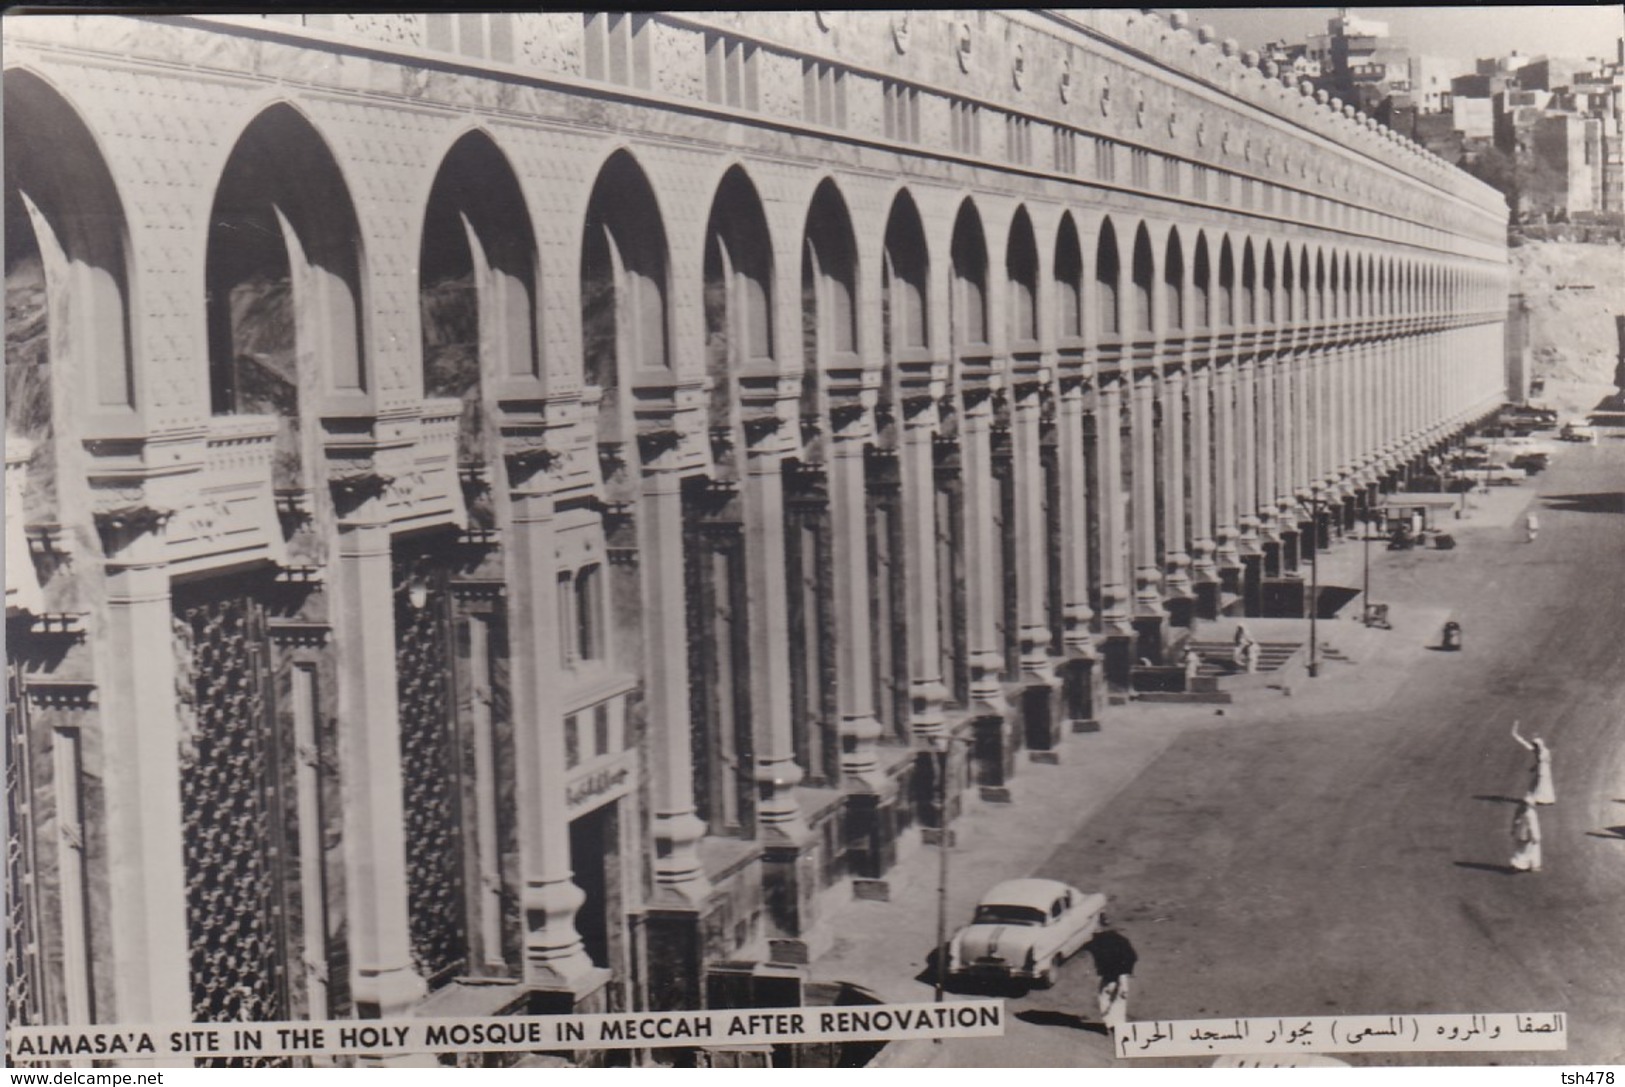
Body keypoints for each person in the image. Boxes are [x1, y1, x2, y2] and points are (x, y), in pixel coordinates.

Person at [1085, 923, 1138, 1031]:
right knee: (1120, 999)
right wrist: (1126, 971)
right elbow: (1133, 956)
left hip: (1108, 976)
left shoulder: (1096, 943)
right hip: (1122, 975)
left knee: (1104, 997)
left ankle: (1109, 1022)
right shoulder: (1122, 940)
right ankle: (1119, 1023)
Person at [1511, 722, 1555, 805]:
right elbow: (1525, 743)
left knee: (1536, 784)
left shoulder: (1540, 752)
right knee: (1541, 784)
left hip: (1542, 771)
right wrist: (1516, 735)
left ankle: (1532, 798)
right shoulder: (1543, 751)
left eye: (1535, 745)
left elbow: (1542, 761)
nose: (1534, 746)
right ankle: (1544, 799)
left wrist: (1534, 767)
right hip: (1544, 770)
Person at [1509, 799, 1542, 873]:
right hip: (1528, 836)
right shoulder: (1531, 813)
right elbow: (1532, 826)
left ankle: (1516, 864)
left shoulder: (1519, 810)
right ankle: (1530, 866)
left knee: (1519, 851)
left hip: (1519, 835)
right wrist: (1535, 836)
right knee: (1530, 851)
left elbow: (1515, 821)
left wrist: (1513, 830)